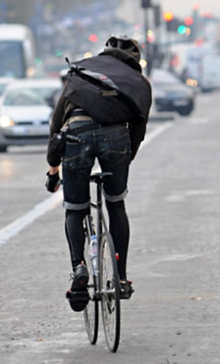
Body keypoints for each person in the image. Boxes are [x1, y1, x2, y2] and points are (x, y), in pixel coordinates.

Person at [45, 36, 152, 312]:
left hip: (76, 132)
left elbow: (57, 123)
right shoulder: (138, 82)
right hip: (115, 136)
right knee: (116, 203)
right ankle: (122, 277)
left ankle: (79, 267)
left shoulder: (81, 70)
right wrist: (124, 161)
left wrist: (53, 168)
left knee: (75, 208)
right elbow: (138, 131)